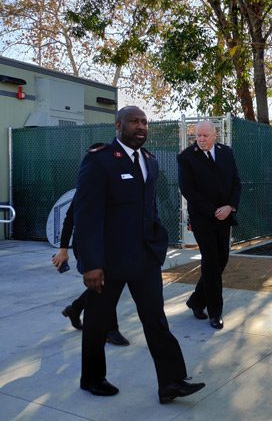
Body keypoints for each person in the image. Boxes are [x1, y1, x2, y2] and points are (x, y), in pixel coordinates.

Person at [73, 106, 205, 403]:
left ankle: (171, 382)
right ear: (118, 126)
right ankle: (92, 378)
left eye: (144, 122)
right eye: (134, 121)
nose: (141, 126)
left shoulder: (149, 161)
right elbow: (87, 215)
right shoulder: (100, 160)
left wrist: (158, 244)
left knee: (156, 319)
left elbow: (150, 208)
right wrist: (91, 263)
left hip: (144, 258)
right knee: (96, 321)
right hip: (108, 261)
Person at [177, 121, 242, 329]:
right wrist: (213, 210)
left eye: (205, 135)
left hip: (225, 217)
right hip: (203, 219)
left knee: (221, 260)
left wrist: (230, 206)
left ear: (215, 135)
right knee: (212, 262)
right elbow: (188, 190)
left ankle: (196, 300)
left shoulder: (226, 153)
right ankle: (215, 312)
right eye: (198, 135)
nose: (201, 139)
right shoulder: (186, 157)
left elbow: (236, 182)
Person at [53, 198, 129, 346]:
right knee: (106, 284)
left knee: (107, 283)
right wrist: (63, 249)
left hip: (110, 244)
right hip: (87, 246)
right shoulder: (89, 186)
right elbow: (70, 219)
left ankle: (75, 309)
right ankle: (110, 329)